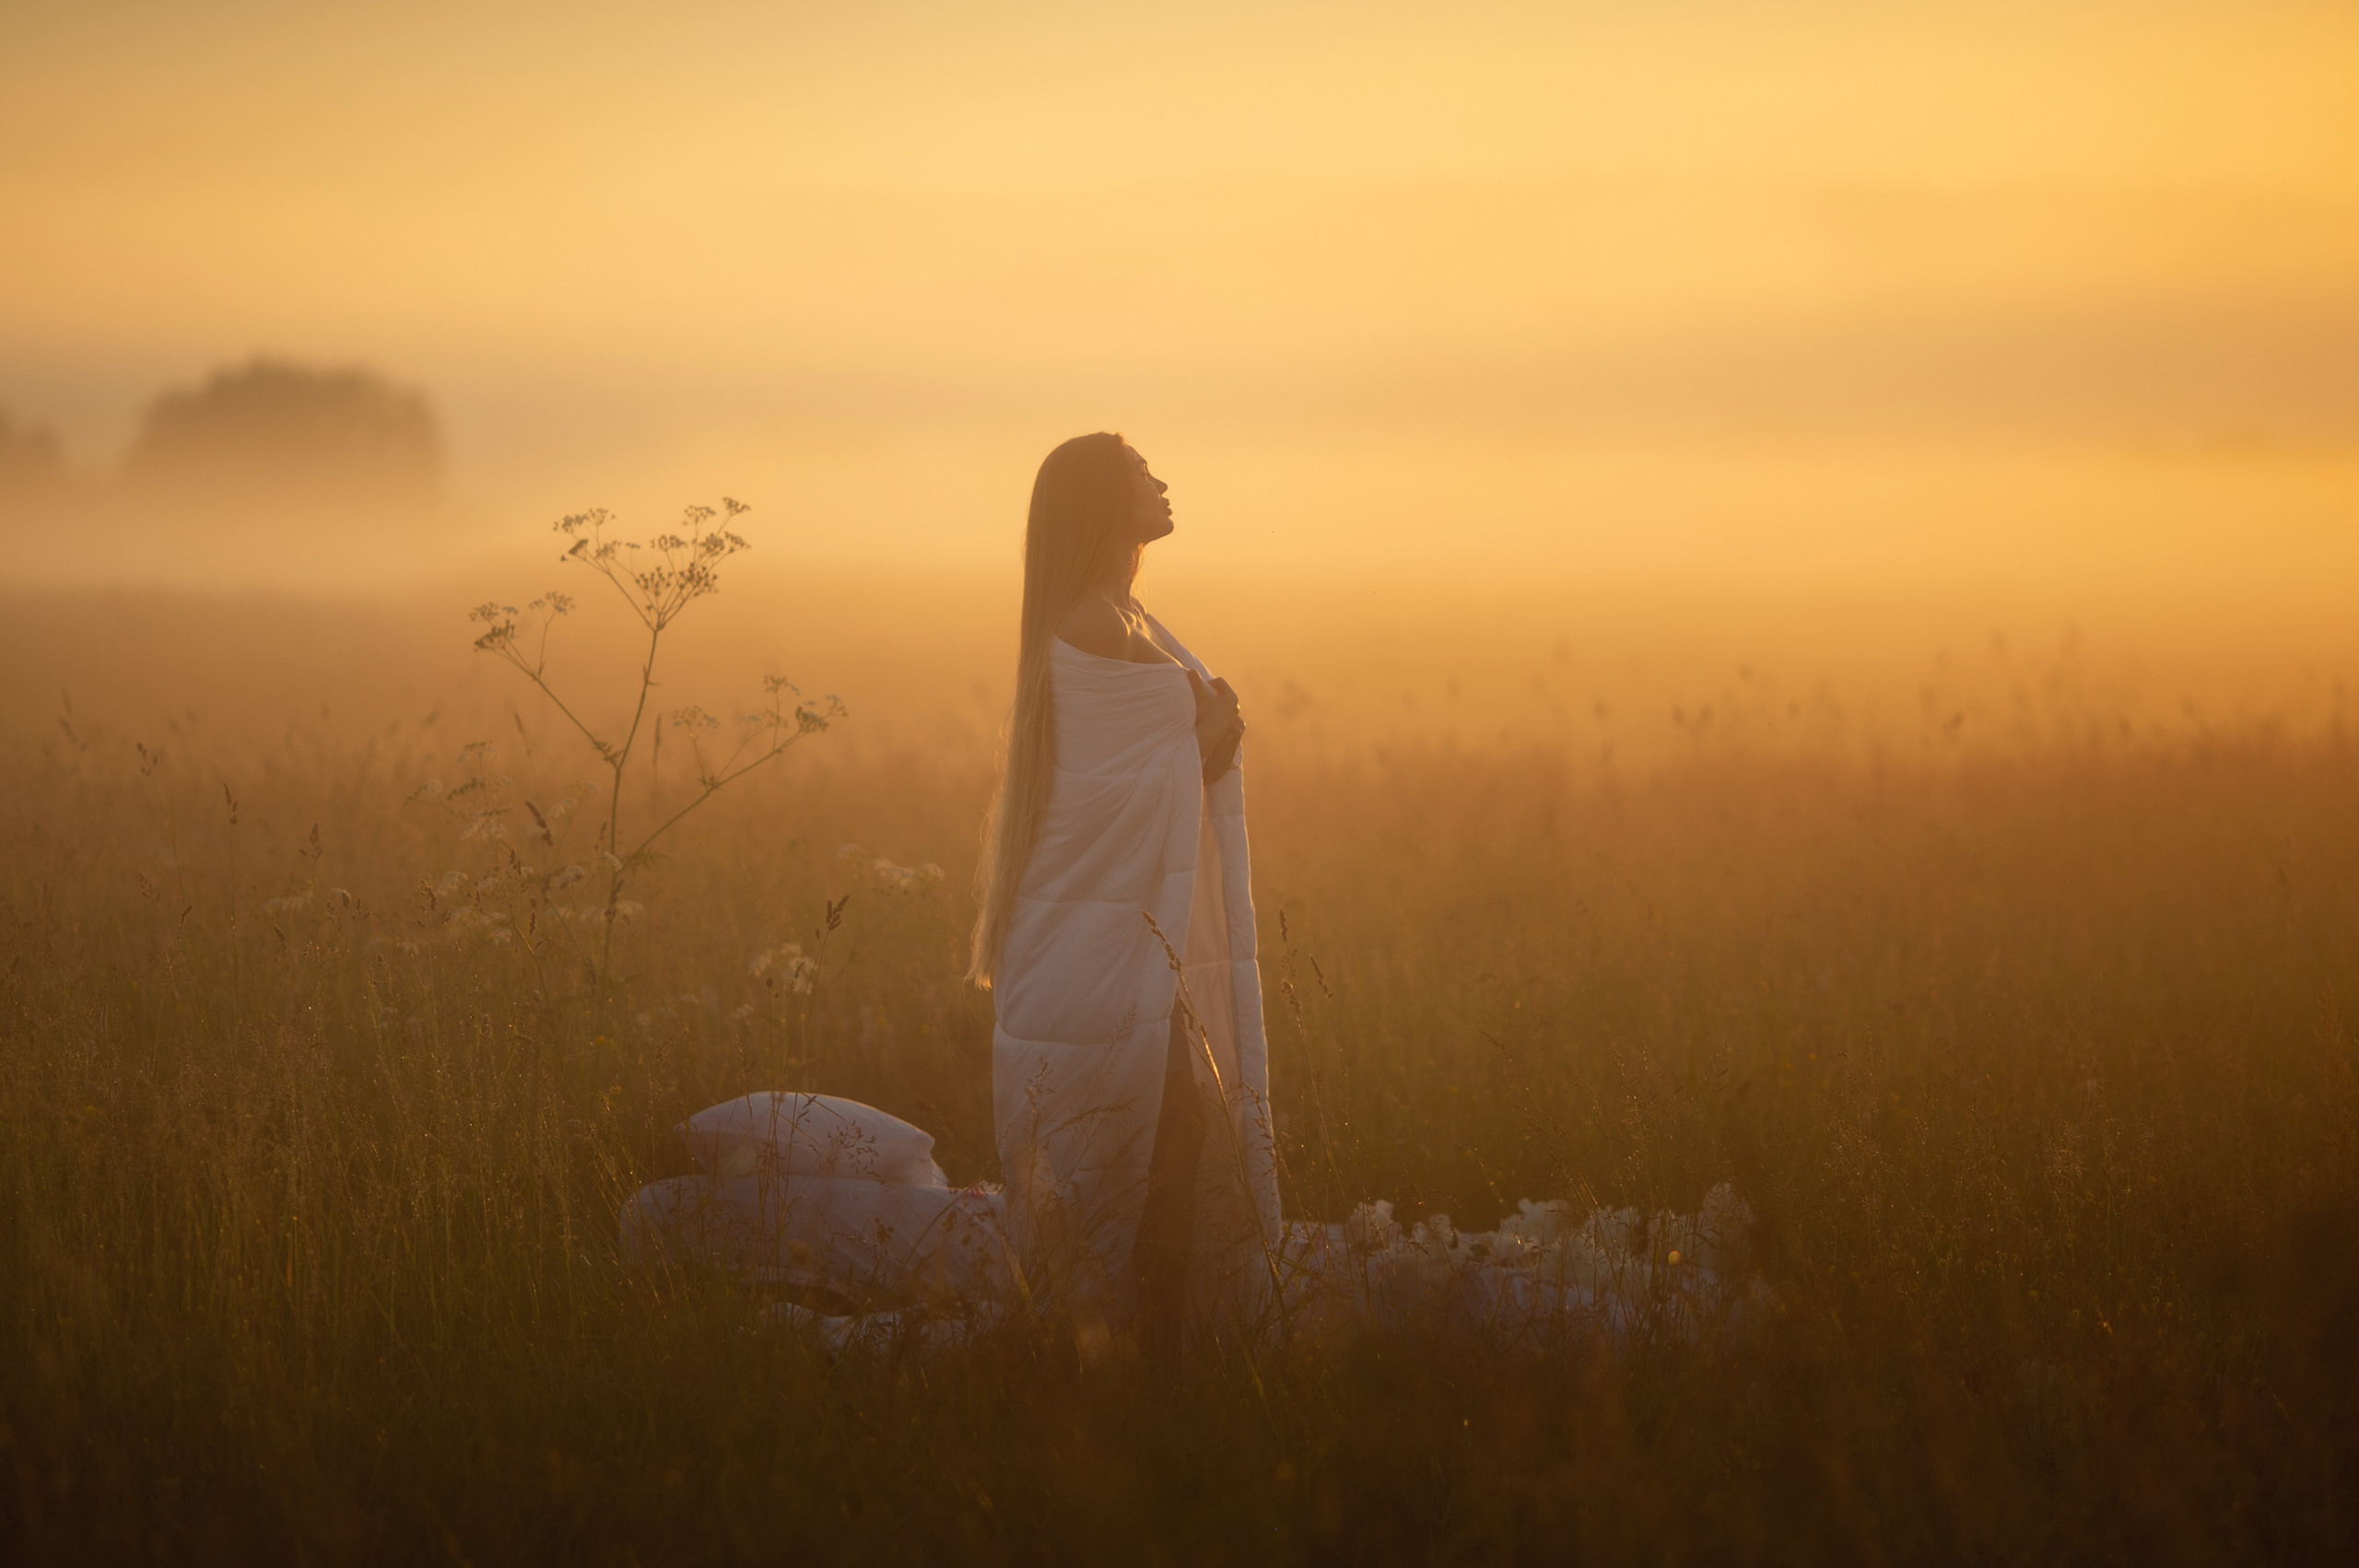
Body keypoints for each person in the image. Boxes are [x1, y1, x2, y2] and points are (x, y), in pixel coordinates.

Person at [968, 432, 1275, 1355]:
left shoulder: (1124, 616)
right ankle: (1140, 1371)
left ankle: (1146, 1358)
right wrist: (1211, 716)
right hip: (1091, 959)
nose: (1163, 480)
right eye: (1143, 471)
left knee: (1165, 1148)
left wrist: (1208, 721)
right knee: (1149, 1156)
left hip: (1109, 953)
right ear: (1106, 500)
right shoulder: (1096, 626)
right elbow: (1197, 730)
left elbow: (1195, 735)